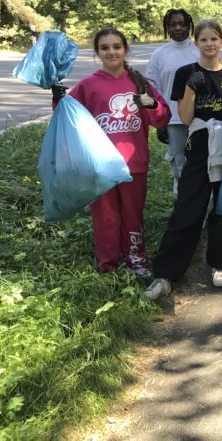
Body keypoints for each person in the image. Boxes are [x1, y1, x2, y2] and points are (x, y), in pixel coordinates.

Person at [144, 20, 222, 300]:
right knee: (188, 207)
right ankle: (166, 273)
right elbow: (187, 116)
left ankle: (220, 265)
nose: (209, 44)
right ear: (196, 44)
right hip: (197, 145)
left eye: (214, 39)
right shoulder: (186, 73)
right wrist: (191, 89)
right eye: (203, 39)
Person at [54, 28, 171, 275]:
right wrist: (57, 98)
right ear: (97, 53)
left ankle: (136, 260)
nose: (111, 51)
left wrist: (150, 103)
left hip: (133, 164)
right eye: (105, 47)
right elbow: (66, 117)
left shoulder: (139, 83)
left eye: (116, 46)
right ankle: (109, 265)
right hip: (100, 166)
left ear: (125, 50)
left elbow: (162, 118)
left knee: (132, 214)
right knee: (105, 218)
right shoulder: (89, 86)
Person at [145, 8, 198, 197]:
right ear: (167, 27)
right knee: (179, 166)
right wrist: (159, 122)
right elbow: (153, 91)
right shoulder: (159, 55)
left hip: (200, 119)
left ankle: (205, 214)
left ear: (189, 25)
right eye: (172, 24)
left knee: (202, 165)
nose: (177, 28)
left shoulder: (199, 51)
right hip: (173, 121)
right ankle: (182, 211)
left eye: (182, 24)